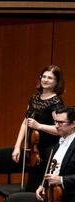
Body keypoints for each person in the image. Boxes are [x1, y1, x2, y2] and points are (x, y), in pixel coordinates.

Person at [13, 65, 65, 193]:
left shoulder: (56, 102)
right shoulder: (34, 98)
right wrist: (17, 146)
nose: (45, 80)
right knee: (32, 183)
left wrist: (39, 126)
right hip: (34, 149)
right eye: (44, 76)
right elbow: (25, 122)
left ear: (57, 82)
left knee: (41, 185)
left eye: (50, 78)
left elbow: (60, 129)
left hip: (48, 150)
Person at [35, 106, 75, 202]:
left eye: (61, 123)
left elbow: (60, 175)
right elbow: (53, 167)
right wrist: (42, 185)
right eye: (55, 122)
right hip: (56, 200)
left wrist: (62, 180)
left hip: (71, 200)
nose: (56, 126)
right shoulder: (60, 141)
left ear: (73, 124)